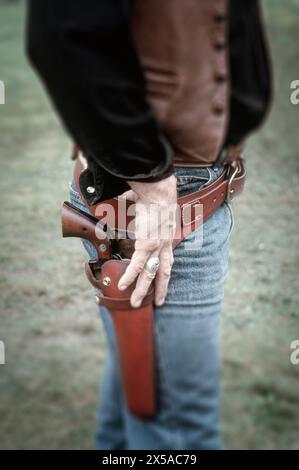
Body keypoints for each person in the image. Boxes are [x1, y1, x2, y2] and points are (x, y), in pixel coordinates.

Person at [26, 0, 272, 450]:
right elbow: (61, 36)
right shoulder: (153, 188)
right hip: (164, 200)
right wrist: (150, 179)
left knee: (137, 404)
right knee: (178, 432)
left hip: (164, 188)